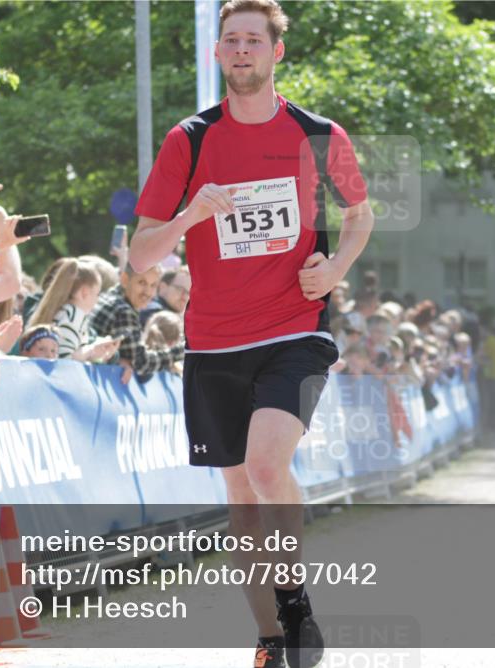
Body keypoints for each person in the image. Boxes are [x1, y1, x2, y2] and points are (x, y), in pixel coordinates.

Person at [127, 2, 373, 665]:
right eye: (230, 40)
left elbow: (360, 214)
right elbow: (142, 257)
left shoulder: (317, 131)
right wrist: (187, 216)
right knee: (240, 491)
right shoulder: (190, 139)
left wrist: (338, 265)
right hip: (213, 340)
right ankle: (269, 636)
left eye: (253, 40)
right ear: (218, 54)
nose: (241, 50)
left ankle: (298, 612)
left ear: (275, 53)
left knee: (267, 466)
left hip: (297, 327)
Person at [90, 264, 182, 383]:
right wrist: (182, 350)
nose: (148, 292)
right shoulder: (124, 311)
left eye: (153, 285)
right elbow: (142, 365)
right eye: (142, 283)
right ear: (125, 280)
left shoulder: (108, 296)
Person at [28, 258, 121, 362]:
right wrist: (92, 349)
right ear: (84, 293)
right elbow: (64, 361)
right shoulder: (73, 317)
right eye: (97, 294)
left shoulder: (64, 312)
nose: (97, 299)